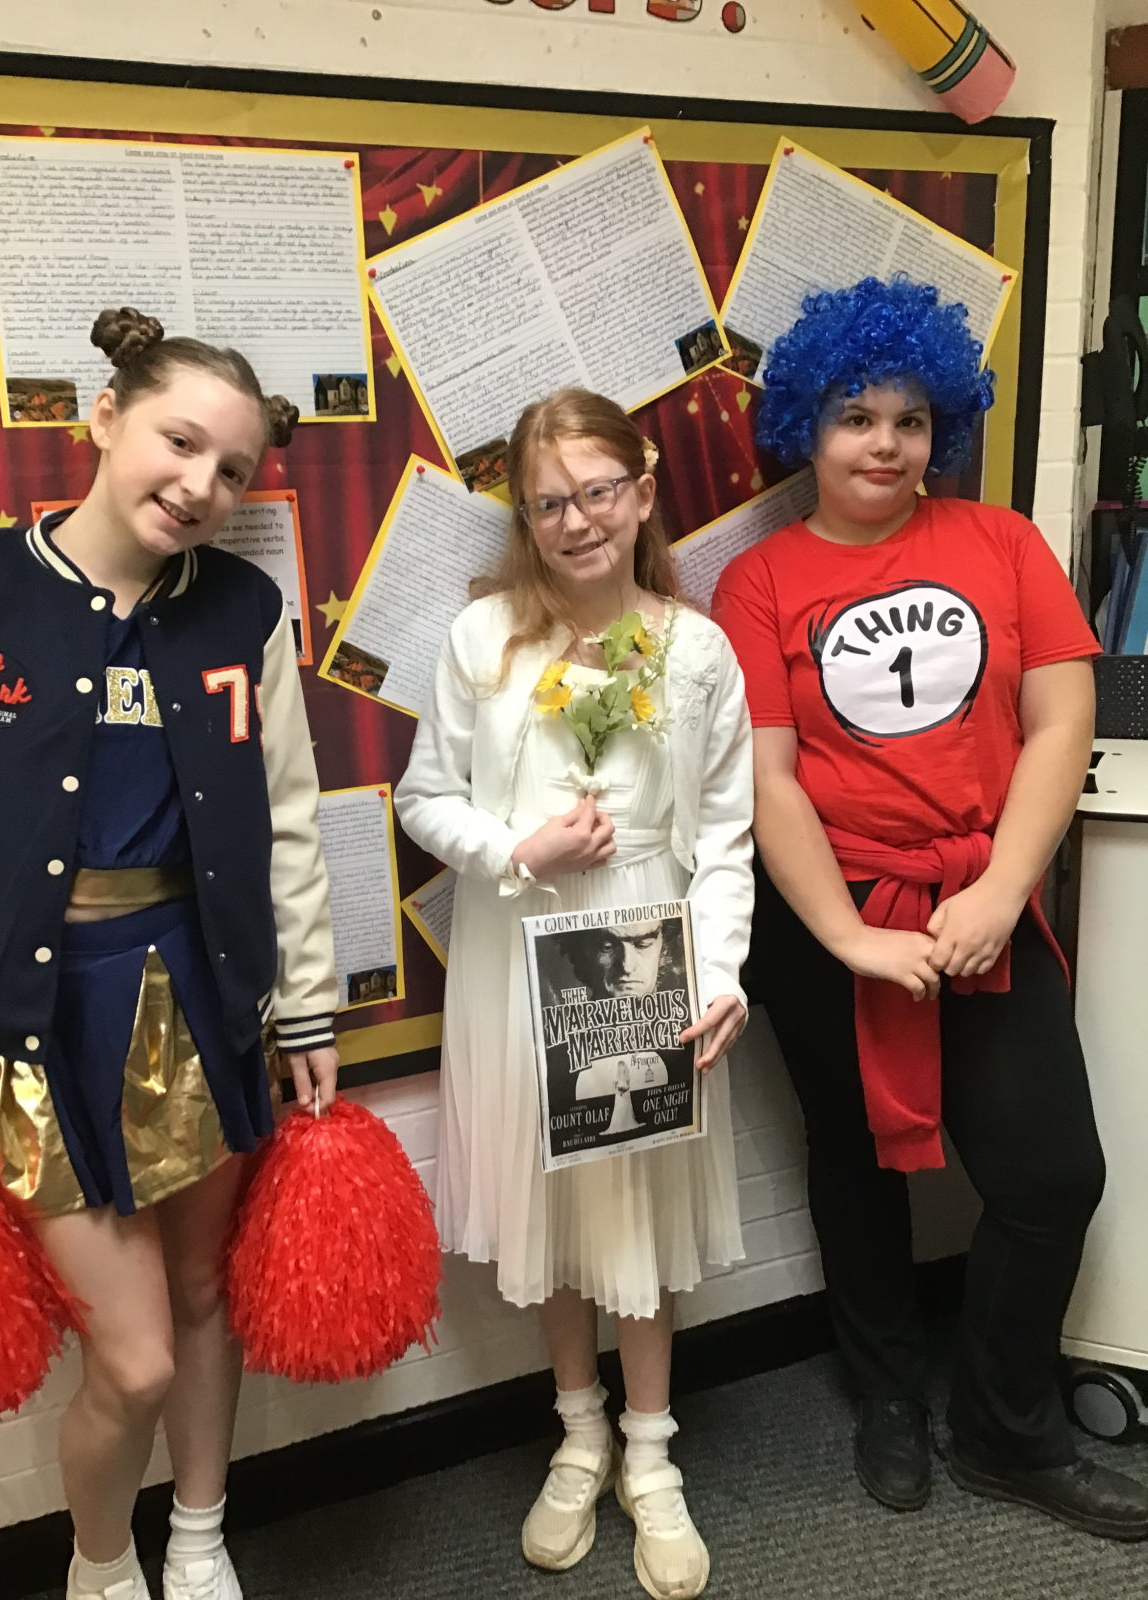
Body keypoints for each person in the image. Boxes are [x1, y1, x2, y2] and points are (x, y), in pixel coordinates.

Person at [712, 276, 1148, 1540]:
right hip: (830, 914)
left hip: (984, 898)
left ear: (941, 425)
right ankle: (888, 1393)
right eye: (856, 416)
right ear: (807, 425)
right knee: (855, 1164)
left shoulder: (1002, 543)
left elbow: (1062, 720)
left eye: (911, 419)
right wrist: (850, 936)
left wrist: (1004, 892)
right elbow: (769, 777)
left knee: (1051, 1173)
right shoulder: (758, 580)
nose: (886, 444)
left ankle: (1009, 1427)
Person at [0, 307, 341, 1600]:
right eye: (179, 442)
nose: (200, 485)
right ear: (105, 417)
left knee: (199, 1291)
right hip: (24, 1026)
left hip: (191, 998)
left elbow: (288, 815)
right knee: (134, 1358)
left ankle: (203, 1535)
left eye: (232, 469)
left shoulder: (243, 609)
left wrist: (306, 1011)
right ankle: (102, 1567)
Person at [396, 388, 754, 1599]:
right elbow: (424, 797)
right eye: (550, 502)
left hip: (648, 945)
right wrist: (516, 848)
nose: (578, 520)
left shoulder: (696, 648)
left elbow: (726, 832)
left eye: (599, 492)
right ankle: (580, 1430)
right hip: (520, 940)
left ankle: (651, 1454)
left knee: (634, 1198)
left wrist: (722, 969)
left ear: (643, 493)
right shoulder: (482, 637)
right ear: (525, 516)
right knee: (549, 1195)